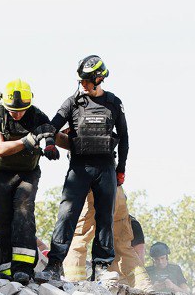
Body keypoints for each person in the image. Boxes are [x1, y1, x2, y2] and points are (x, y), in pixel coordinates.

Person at [39, 55, 129, 283]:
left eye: (87, 81)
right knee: (67, 215)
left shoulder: (114, 103)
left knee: (104, 217)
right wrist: (49, 142)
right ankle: (54, 264)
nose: (83, 85)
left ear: (99, 79)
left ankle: (100, 267)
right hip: (79, 167)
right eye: (81, 81)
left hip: (106, 167)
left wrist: (121, 169)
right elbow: (53, 124)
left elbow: (125, 137)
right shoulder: (72, 103)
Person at [0, 79, 57, 285]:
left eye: (21, 110)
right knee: (1, 217)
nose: (17, 114)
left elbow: (48, 130)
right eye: (13, 111)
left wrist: (50, 144)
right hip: (1, 174)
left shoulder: (36, 115)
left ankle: (23, 269)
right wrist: (28, 140)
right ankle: (6, 266)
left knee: (23, 212)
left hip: (27, 173)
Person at [63, 188, 151, 288]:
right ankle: (144, 287)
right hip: (105, 276)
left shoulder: (131, 224)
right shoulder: (102, 218)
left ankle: (75, 283)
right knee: (123, 247)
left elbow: (139, 254)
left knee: (79, 239)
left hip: (120, 278)